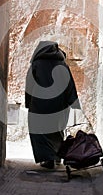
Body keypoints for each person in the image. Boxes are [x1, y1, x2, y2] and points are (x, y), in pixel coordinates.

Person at [25, 41, 80, 169]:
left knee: (39, 130)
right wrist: (74, 103)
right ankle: (57, 156)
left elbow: (29, 85)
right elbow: (70, 85)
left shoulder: (36, 64)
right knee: (57, 129)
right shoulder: (62, 65)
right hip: (59, 104)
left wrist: (28, 103)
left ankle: (47, 158)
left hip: (39, 104)